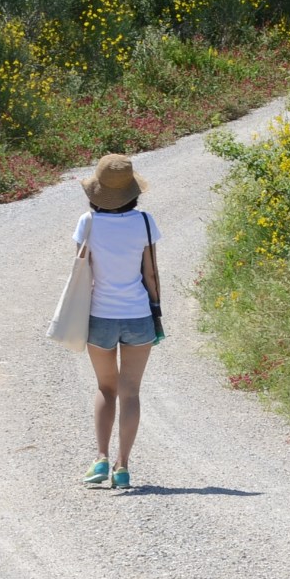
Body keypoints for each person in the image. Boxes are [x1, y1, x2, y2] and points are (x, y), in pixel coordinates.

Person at [74, 153, 164, 490]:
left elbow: (81, 273)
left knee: (105, 388)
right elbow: (150, 272)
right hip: (138, 314)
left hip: (100, 315)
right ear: (132, 191)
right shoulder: (144, 222)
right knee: (130, 392)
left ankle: (100, 456)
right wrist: (156, 309)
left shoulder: (88, 223)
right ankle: (123, 467)